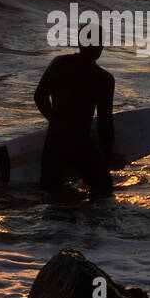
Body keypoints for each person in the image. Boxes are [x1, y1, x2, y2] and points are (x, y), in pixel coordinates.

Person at [33, 42, 123, 195]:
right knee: (104, 190)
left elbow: (39, 97)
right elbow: (104, 123)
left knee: (51, 195)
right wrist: (108, 155)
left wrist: (56, 122)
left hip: (54, 141)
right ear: (100, 47)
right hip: (79, 143)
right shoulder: (103, 79)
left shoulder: (59, 64)